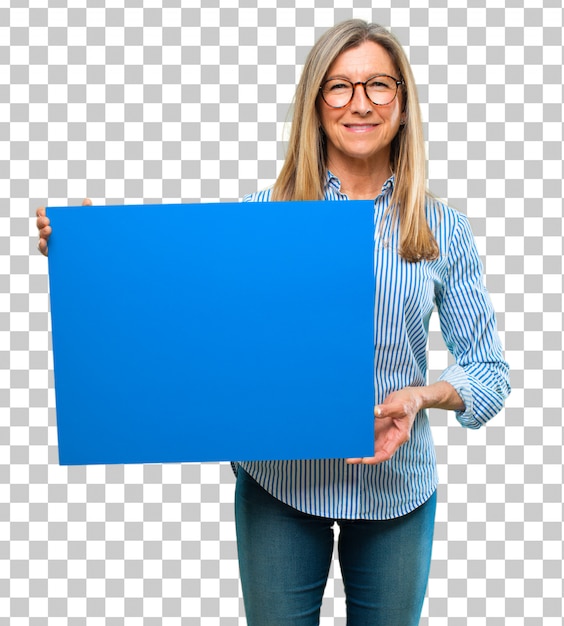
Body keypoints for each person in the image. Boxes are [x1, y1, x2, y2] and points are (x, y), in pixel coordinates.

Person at [36, 19, 510, 626]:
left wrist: (422, 396)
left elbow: (489, 374)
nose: (359, 103)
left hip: (397, 489)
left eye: (378, 86)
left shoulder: (443, 229)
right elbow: (183, 321)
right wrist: (95, 253)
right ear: (315, 106)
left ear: (403, 103)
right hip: (280, 488)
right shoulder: (265, 217)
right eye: (339, 87)